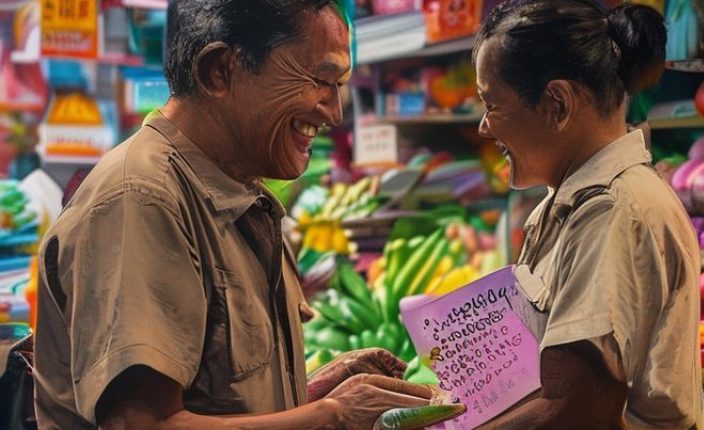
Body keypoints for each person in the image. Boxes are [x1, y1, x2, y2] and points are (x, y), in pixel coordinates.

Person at [33, 1, 433, 429]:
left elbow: (214, 401)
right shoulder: (141, 200)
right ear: (219, 71)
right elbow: (143, 423)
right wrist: (332, 416)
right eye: (320, 80)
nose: (334, 112)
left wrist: (317, 388)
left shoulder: (235, 189)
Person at [472, 0, 704, 428]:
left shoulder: (613, 212)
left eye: (492, 104)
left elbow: (574, 410)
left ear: (557, 104)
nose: (485, 127)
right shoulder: (569, 204)